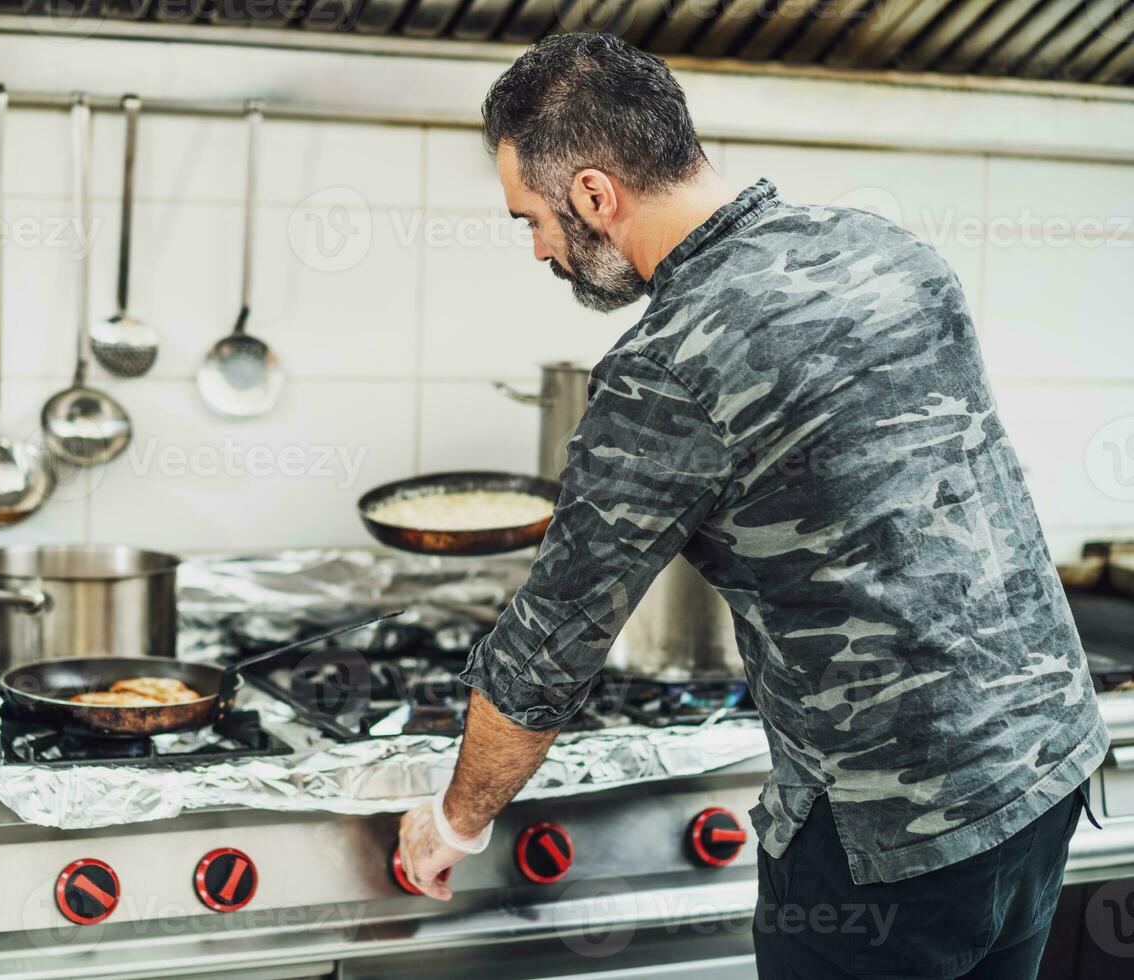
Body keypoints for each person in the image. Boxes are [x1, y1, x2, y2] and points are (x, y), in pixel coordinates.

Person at [395, 33, 1108, 980]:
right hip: (1044, 768)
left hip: (890, 833)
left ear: (596, 196)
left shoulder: (664, 371)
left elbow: (549, 645)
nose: (537, 248)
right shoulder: (887, 250)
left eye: (531, 217)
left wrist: (456, 819)